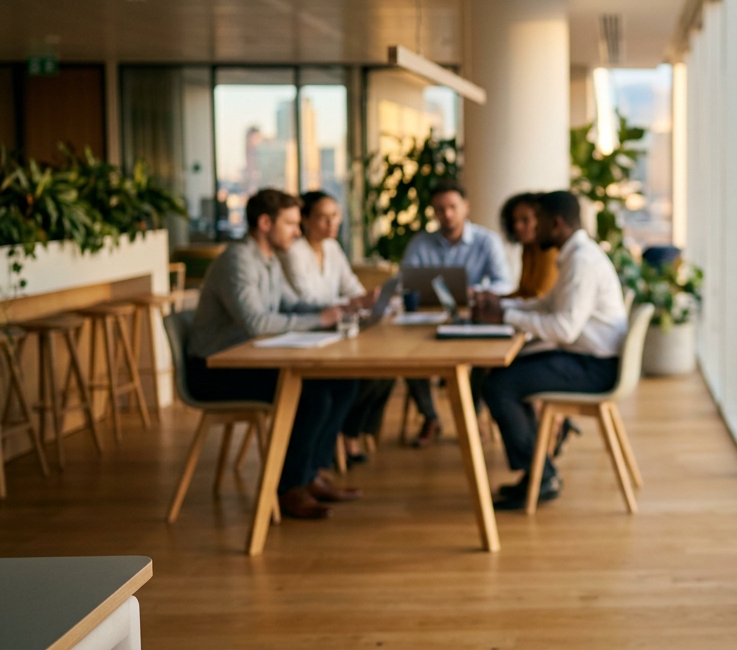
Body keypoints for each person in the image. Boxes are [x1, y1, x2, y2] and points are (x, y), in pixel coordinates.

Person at [187, 189, 368, 520]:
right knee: (311, 395)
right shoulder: (238, 260)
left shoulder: (269, 258)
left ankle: (310, 473)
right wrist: (319, 319)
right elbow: (257, 322)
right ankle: (289, 488)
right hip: (214, 370)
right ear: (265, 222)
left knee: (342, 381)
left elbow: (288, 305)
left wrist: (335, 311)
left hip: (251, 359)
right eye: (290, 224)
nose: (297, 233)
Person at [471, 191, 627, 510]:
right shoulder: (576, 254)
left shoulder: (581, 261)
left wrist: (505, 315)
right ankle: (539, 471)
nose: (532, 230)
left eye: (538, 222)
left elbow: (564, 328)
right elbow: (547, 305)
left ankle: (541, 476)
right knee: (503, 376)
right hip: (587, 358)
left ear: (556, 224)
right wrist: (503, 305)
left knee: (500, 385)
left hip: (594, 367)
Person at [400, 179, 514, 447]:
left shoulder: (487, 241)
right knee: (407, 360)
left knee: (481, 361)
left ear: (465, 207)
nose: (447, 214)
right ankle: (430, 417)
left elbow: (505, 284)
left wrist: (474, 292)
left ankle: (471, 416)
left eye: (452, 207)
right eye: (440, 209)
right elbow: (405, 284)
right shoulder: (420, 243)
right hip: (426, 322)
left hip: (472, 321)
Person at [280, 190, 384, 467]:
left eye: (335, 216)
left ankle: (347, 436)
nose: (331, 223)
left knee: (381, 375)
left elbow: (352, 288)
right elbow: (308, 301)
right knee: (352, 380)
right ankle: (327, 455)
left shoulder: (333, 248)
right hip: (311, 331)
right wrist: (354, 303)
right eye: (323, 217)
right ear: (305, 220)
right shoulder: (294, 252)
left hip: (334, 329)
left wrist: (366, 300)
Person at [500, 192, 559, 299]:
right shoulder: (528, 248)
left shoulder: (549, 250)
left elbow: (539, 296)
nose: (517, 226)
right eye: (515, 221)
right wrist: (497, 299)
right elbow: (524, 291)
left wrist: (503, 305)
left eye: (525, 220)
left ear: (541, 219)